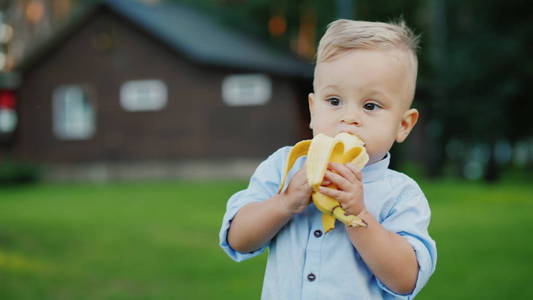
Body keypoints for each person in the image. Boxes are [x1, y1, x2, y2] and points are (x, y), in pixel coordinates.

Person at [219, 19, 437, 300]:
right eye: (334, 101)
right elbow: (239, 239)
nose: (348, 118)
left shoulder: (400, 194)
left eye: (370, 106)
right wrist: (284, 202)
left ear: (403, 125)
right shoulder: (285, 166)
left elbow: (405, 279)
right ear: (313, 109)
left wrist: (358, 215)